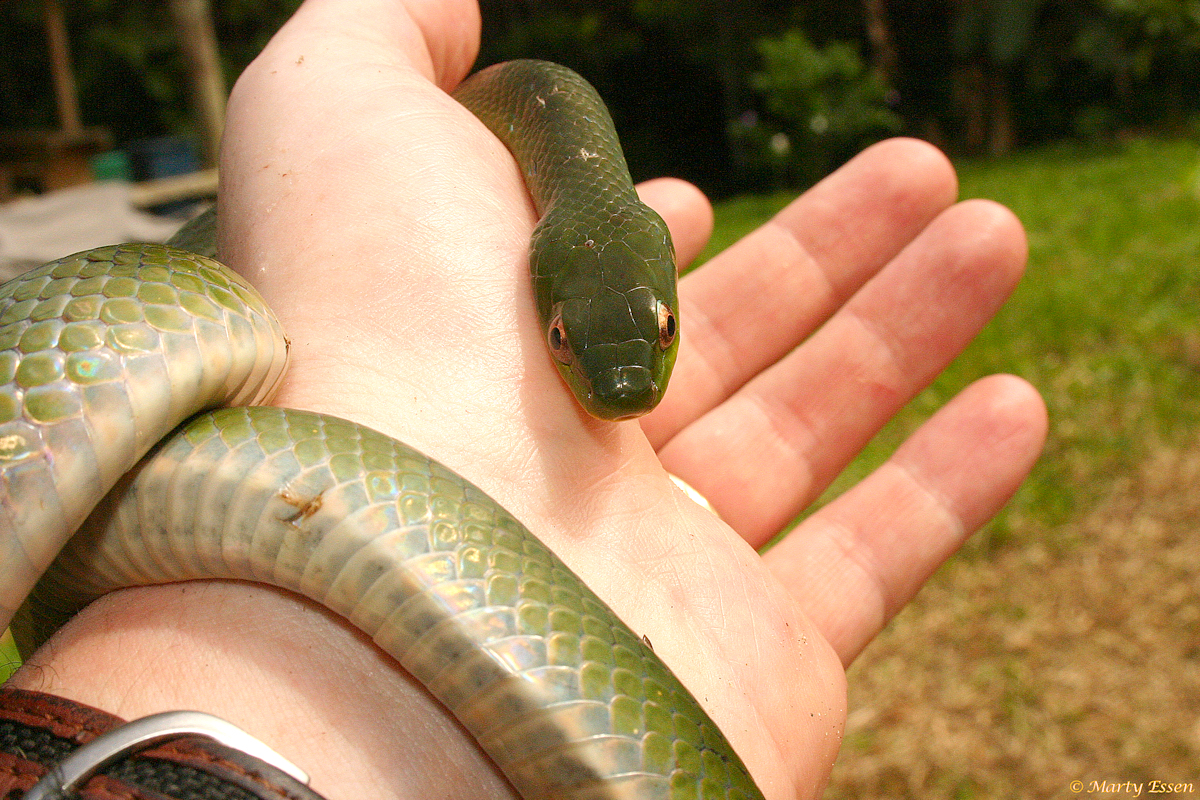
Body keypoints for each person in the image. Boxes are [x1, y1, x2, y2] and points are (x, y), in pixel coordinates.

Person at [5, 0, 1047, 797]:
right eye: (560, 338)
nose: (624, 393)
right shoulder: (524, 148)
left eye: (661, 331)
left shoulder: (582, 203)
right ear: (541, 287)